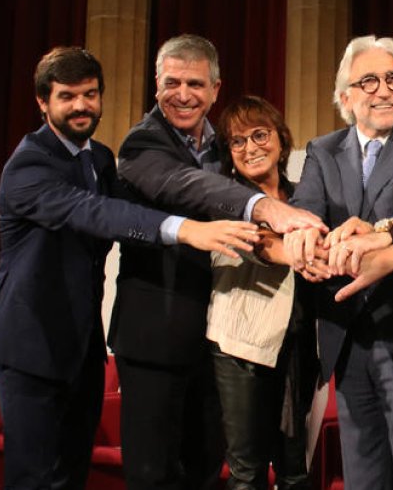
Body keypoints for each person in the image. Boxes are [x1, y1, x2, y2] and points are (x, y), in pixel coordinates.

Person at [0, 47, 258, 490]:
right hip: (30, 342)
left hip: (82, 343)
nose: (80, 106)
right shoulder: (28, 164)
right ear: (42, 102)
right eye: (67, 96)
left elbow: (127, 213)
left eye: (90, 94)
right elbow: (95, 213)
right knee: (34, 478)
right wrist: (187, 230)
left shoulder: (98, 158)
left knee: (73, 472)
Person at [111, 35, 324, 490]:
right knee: (154, 474)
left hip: (207, 342)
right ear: (155, 84)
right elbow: (189, 188)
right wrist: (267, 210)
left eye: (195, 83)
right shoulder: (141, 144)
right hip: (155, 338)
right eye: (172, 82)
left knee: (206, 469)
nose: (183, 94)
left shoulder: (217, 149)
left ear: (214, 89)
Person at [283, 35, 393, 490]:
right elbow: (307, 211)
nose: (384, 90)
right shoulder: (323, 149)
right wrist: (304, 241)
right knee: (363, 478)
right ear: (346, 97)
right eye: (370, 81)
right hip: (346, 337)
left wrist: (384, 231)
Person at [207, 96, 319, 489]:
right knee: (248, 471)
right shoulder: (223, 198)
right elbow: (256, 246)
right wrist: (308, 253)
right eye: (238, 141)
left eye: (260, 134)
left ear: (281, 140)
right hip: (242, 346)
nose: (251, 147)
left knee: (295, 470)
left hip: (299, 348)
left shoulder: (307, 195)